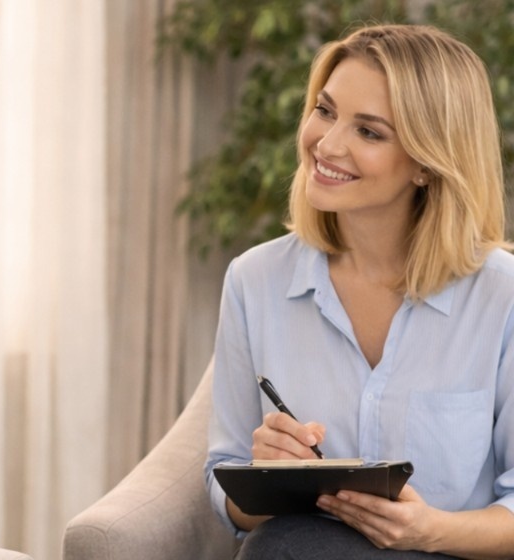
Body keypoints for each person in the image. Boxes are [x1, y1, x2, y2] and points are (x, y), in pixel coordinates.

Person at [204, 24, 514, 558]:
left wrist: (428, 530)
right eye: (325, 111)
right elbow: (225, 485)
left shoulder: (501, 296)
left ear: (425, 162)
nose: (326, 144)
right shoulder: (254, 281)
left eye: (368, 132)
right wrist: (266, 477)